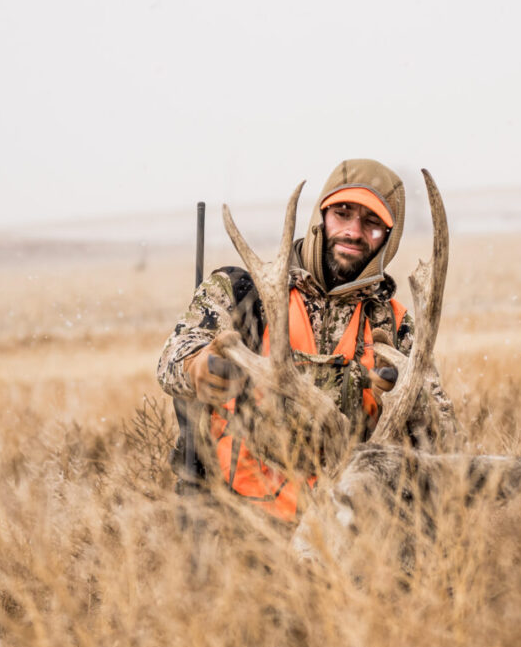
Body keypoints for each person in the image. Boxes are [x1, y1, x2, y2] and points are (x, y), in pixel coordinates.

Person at [157, 158, 455, 520]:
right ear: (320, 217)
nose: (354, 231)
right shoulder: (242, 294)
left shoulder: (395, 325)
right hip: (236, 523)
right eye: (342, 213)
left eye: (372, 222)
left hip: (348, 532)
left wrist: (405, 402)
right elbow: (171, 358)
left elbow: (444, 437)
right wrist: (198, 367)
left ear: (387, 239)